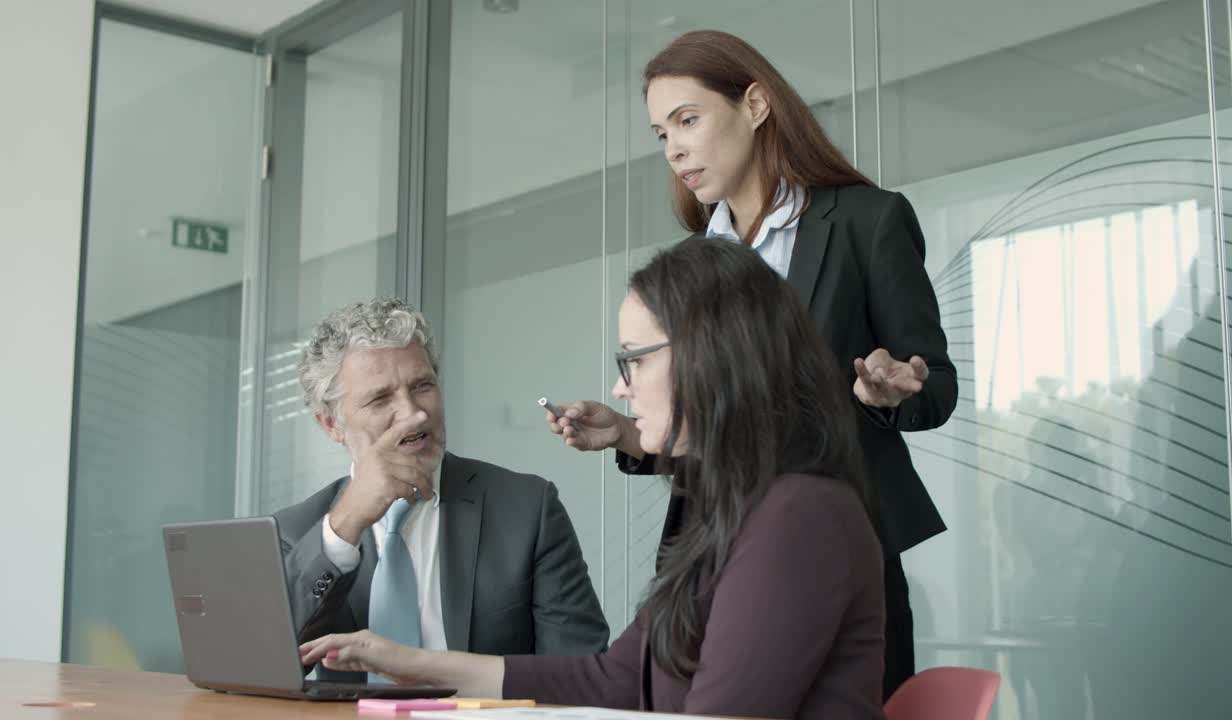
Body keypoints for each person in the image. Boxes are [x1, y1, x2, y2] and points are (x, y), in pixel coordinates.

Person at [300, 239, 887, 720]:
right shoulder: (736, 508)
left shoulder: (796, 517)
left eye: (635, 359)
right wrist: (408, 662)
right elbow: (614, 678)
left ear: (712, 354)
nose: (620, 388)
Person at [546, 29, 957, 699]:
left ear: (757, 105)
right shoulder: (695, 260)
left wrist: (889, 394)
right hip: (715, 554)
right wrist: (625, 433)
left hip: (837, 541)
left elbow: (935, 385)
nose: (673, 148)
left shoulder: (866, 221)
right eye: (661, 133)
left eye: (688, 120)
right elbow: (721, 426)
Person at [274, 298, 608, 678]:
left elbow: (581, 676)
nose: (415, 414)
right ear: (331, 425)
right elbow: (263, 665)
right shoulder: (296, 533)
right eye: (380, 398)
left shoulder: (527, 509)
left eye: (423, 386)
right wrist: (344, 525)